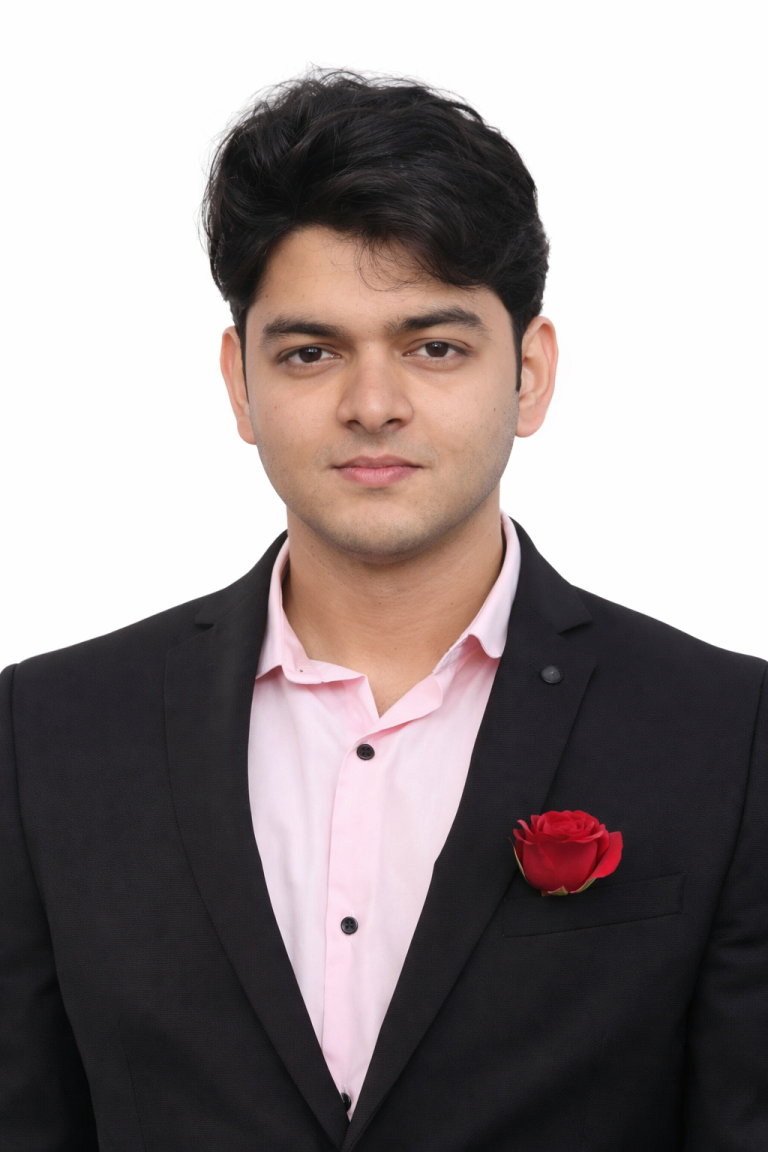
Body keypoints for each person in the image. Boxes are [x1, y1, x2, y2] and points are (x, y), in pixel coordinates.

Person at [1, 70, 766, 1152]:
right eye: (311, 353)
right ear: (240, 383)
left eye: (433, 347)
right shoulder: (48, 732)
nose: (372, 405)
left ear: (530, 374)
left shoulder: (726, 732)